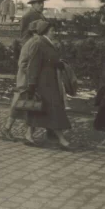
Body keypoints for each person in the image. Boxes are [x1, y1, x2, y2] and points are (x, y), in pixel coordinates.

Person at [21, 20, 72, 150]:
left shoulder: (47, 43)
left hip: (50, 82)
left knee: (40, 110)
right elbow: (33, 65)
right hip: (43, 83)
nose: (54, 32)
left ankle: (28, 135)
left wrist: (57, 63)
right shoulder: (39, 44)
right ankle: (61, 139)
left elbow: (49, 59)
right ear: (45, 32)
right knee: (52, 109)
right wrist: (32, 84)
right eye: (52, 30)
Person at [0, 20, 43, 140]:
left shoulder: (35, 42)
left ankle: (27, 133)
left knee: (29, 105)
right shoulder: (33, 43)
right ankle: (7, 129)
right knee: (21, 105)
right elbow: (23, 64)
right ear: (35, 32)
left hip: (28, 79)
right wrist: (31, 78)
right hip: (26, 80)